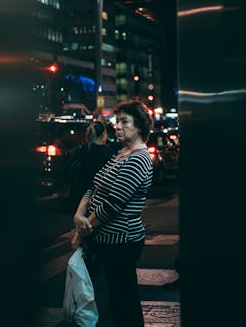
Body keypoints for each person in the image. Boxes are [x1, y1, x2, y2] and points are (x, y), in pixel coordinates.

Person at [71, 100, 154, 327]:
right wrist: (79, 215)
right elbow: (93, 186)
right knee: (115, 300)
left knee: (123, 302)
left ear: (139, 127)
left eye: (124, 122)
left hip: (122, 242)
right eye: (117, 121)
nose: (117, 126)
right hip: (106, 241)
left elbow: (113, 204)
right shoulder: (120, 154)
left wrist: (83, 230)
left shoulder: (139, 158)